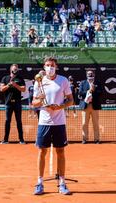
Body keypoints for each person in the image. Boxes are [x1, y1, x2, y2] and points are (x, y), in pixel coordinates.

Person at [32, 57, 73, 195]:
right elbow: (34, 103)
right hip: (44, 122)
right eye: (48, 65)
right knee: (42, 152)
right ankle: (39, 182)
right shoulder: (39, 81)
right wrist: (40, 99)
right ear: (44, 67)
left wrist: (60, 106)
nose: (50, 67)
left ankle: (62, 183)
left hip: (59, 122)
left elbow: (71, 100)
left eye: (52, 65)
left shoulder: (63, 80)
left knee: (60, 152)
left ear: (56, 67)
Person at [0, 64, 26, 144]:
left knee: (19, 121)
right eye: (14, 69)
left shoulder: (20, 78)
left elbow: (23, 89)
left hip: (17, 103)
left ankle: (21, 139)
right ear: (11, 69)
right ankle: (6, 139)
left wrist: (15, 85)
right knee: (7, 121)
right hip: (8, 103)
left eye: (17, 69)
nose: (16, 70)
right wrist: (8, 85)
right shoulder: (5, 78)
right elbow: (1, 89)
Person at [78, 70, 102, 144]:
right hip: (85, 106)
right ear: (86, 75)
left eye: (91, 75)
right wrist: (89, 91)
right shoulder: (83, 83)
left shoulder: (98, 83)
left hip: (94, 106)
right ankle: (85, 138)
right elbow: (80, 92)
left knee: (96, 123)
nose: (90, 76)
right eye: (89, 75)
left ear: (94, 75)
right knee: (84, 123)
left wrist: (94, 90)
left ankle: (97, 139)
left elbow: (100, 92)